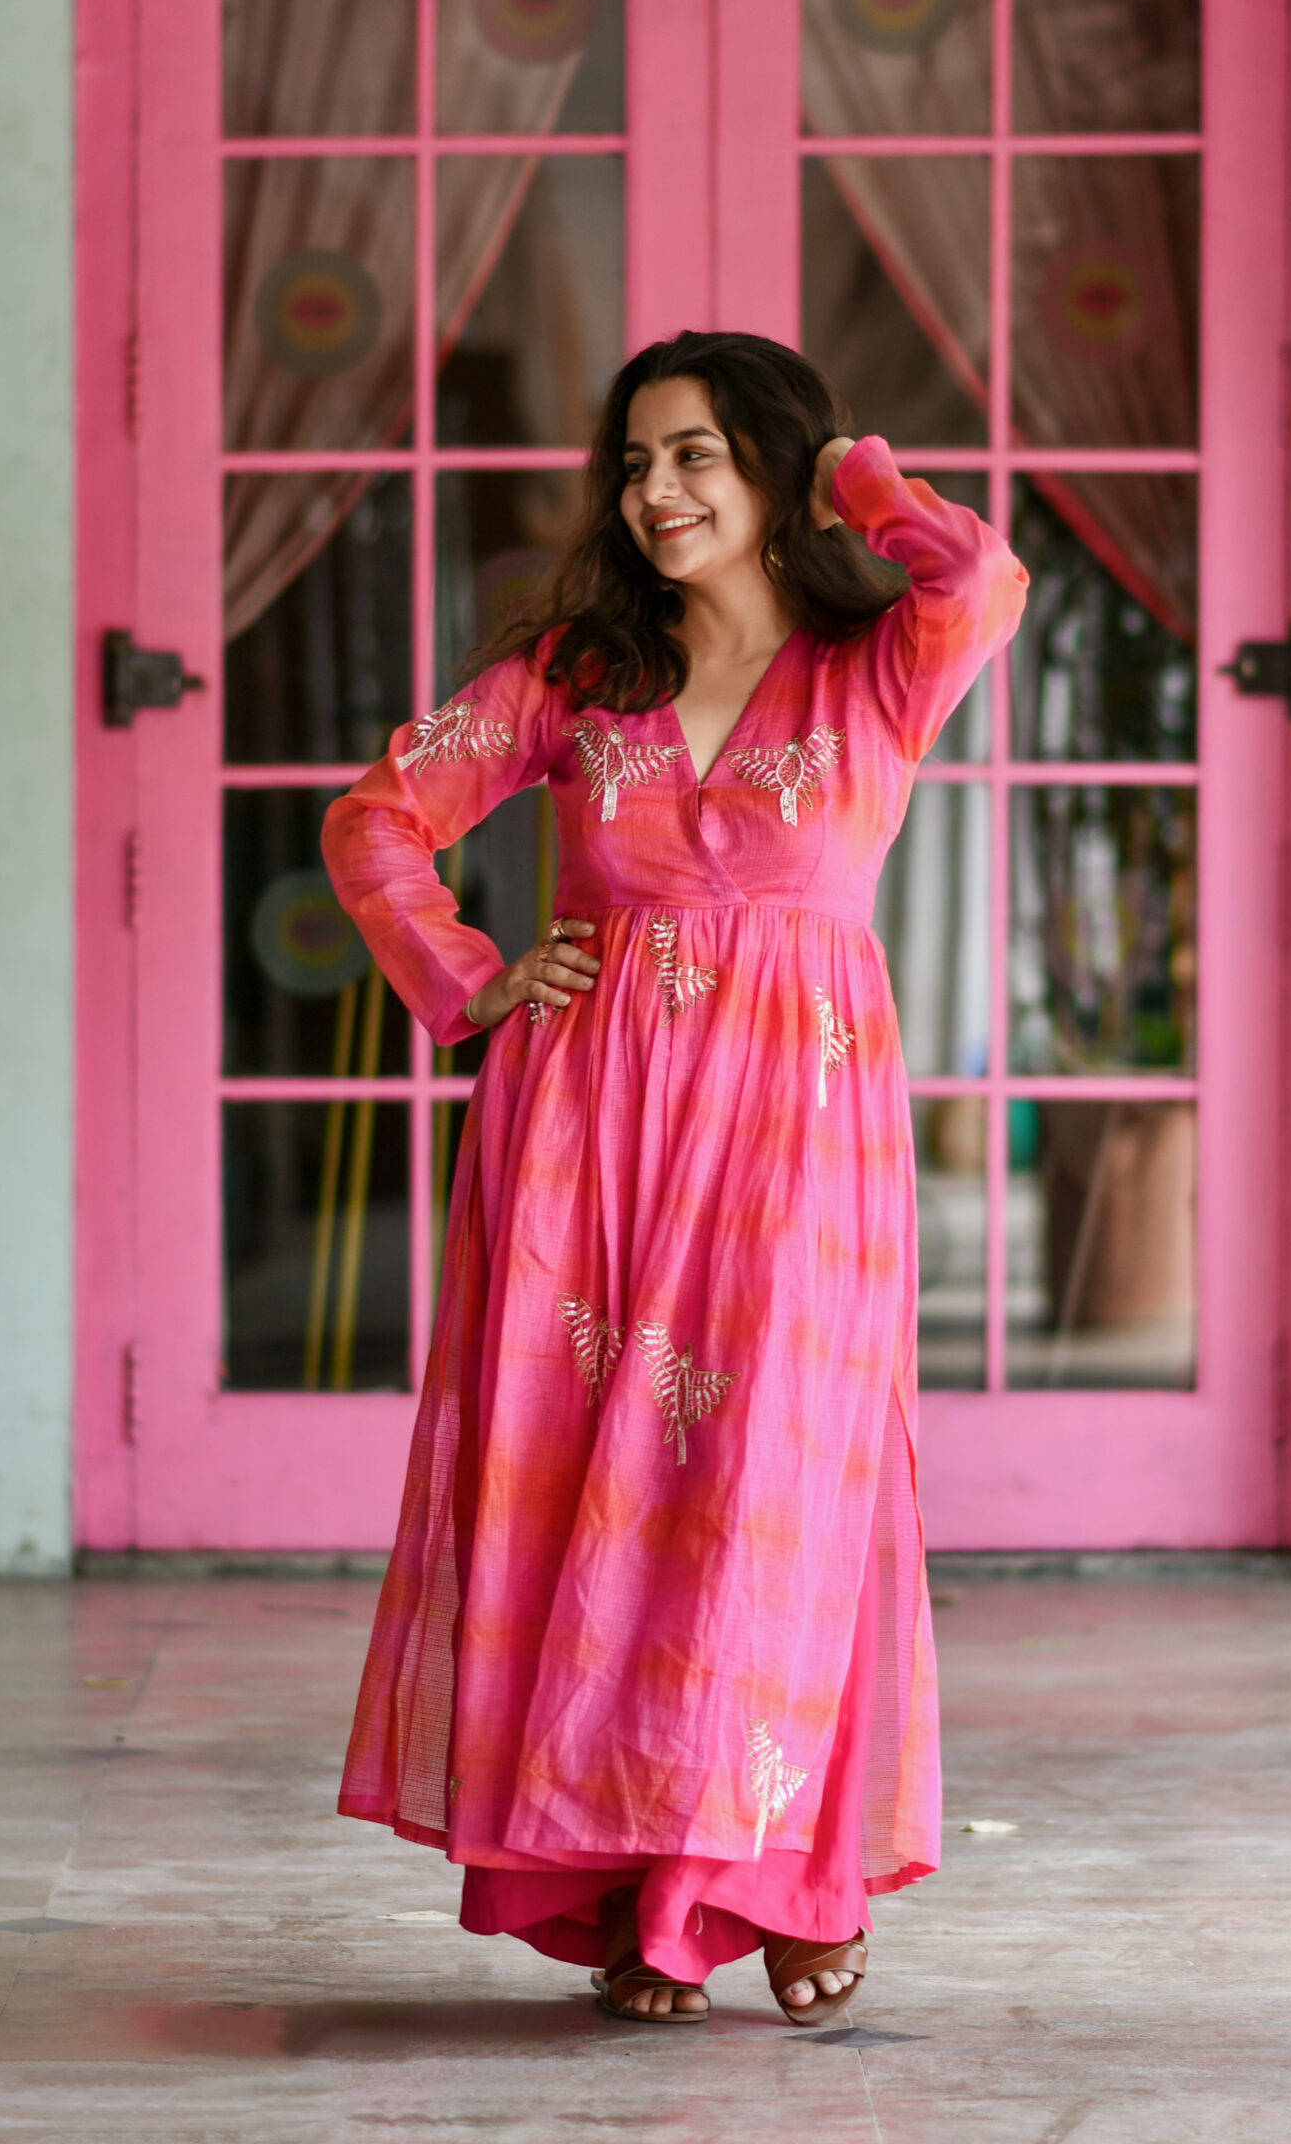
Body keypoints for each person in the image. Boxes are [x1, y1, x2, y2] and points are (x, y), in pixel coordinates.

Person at [325, 330, 1028, 2027]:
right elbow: (376, 819)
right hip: (588, 1136)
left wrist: (855, 478)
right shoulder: (580, 673)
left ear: (772, 469)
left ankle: (783, 1880)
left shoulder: (878, 668)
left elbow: (982, 571)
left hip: (799, 1133)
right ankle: (646, 1889)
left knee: (777, 1490)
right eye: (636, 461)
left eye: (698, 453)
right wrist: (469, 978)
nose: (655, 491)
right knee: (605, 1497)